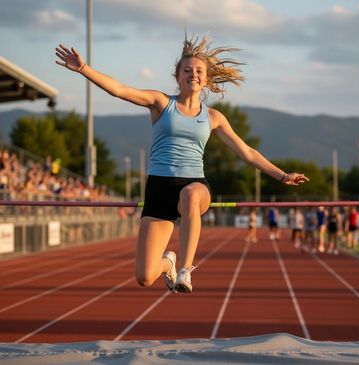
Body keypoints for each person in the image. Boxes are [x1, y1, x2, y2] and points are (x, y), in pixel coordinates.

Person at [55, 35, 309, 293]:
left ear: (206, 80)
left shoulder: (213, 117)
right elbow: (120, 90)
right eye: (187, 70)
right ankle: (169, 262)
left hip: (195, 185)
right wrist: (84, 69)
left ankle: (185, 270)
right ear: (177, 77)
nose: (193, 74)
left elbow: (246, 152)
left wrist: (282, 175)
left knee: (189, 196)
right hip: (159, 188)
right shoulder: (161, 103)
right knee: (144, 276)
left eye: (199, 71)